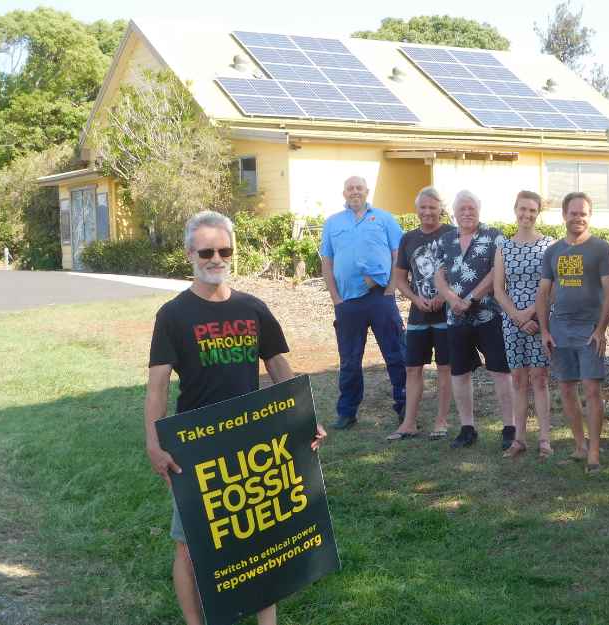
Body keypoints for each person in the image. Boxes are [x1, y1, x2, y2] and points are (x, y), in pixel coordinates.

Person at [145, 210, 327, 625]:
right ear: (190, 253)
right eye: (206, 250)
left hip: (253, 442)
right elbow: (156, 386)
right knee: (189, 545)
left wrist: (306, 418)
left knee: (262, 539)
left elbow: (281, 368)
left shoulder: (253, 308)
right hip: (195, 444)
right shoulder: (173, 315)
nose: (216, 258)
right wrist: (154, 443)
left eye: (224, 250)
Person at [536, 192, 609, 474]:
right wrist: (544, 330)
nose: (578, 217)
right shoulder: (553, 252)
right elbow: (543, 293)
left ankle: (594, 450)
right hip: (560, 330)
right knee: (567, 388)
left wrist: (601, 329)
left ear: (589, 216)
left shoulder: (601, 249)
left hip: (589, 330)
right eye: (573, 213)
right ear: (564, 215)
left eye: (583, 213)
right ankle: (580, 446)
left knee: (592, 389)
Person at [320, 176, 407, 430]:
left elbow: (398, 255)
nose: (354, 192)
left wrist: (391, 289)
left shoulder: (383, 218)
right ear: (343, 193)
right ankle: (347, 412)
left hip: (381, 298)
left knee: (395, 354)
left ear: (367, 192)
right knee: (349, 359)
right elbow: (327, 261)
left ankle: (404, 407)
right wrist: (336, 298)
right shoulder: (333, 223)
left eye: (359, 188)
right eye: (350, 188)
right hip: (348, 303)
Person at [434, 190, 515, 450]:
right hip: (455, 318)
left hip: (488, 315)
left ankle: (510, 427)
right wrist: (451, 298)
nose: (467, 213)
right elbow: (438, 275)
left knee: (500, 371)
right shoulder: (445, 239)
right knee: (459, 372)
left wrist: (471, 298)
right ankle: (467, 428)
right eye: (462, 209)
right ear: (454, 213)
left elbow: (496, 272)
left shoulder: (494, 236)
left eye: (471, 208)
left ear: (479, 211)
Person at [388, 186, 455, 441]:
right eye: (423, 207)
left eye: (432, 207)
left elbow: (459, 272)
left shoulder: (452, 234)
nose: (428, 212)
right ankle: (409, 423)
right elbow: (400, 278)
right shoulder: (408, 239)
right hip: (418, 315)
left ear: (441, 209)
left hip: (446, 314)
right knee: (413, 368)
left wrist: (443, 296)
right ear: (417, 210)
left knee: (445, 368)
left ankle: (441, 421)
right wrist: (416, 298)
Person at [493, 191, 554, 458]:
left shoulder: (549, 246)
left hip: (540, 319)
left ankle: (544, 439)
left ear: (537, 213)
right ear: (515, 209)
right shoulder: (503, 248)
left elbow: (552, 288)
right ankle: (519, 439)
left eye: (532, 210)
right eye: (523, 209)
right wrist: (517, 317)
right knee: (518, 379)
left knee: (539, 379)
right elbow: (498, 289)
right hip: (512, 322)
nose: (527, 214)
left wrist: (532, 315)